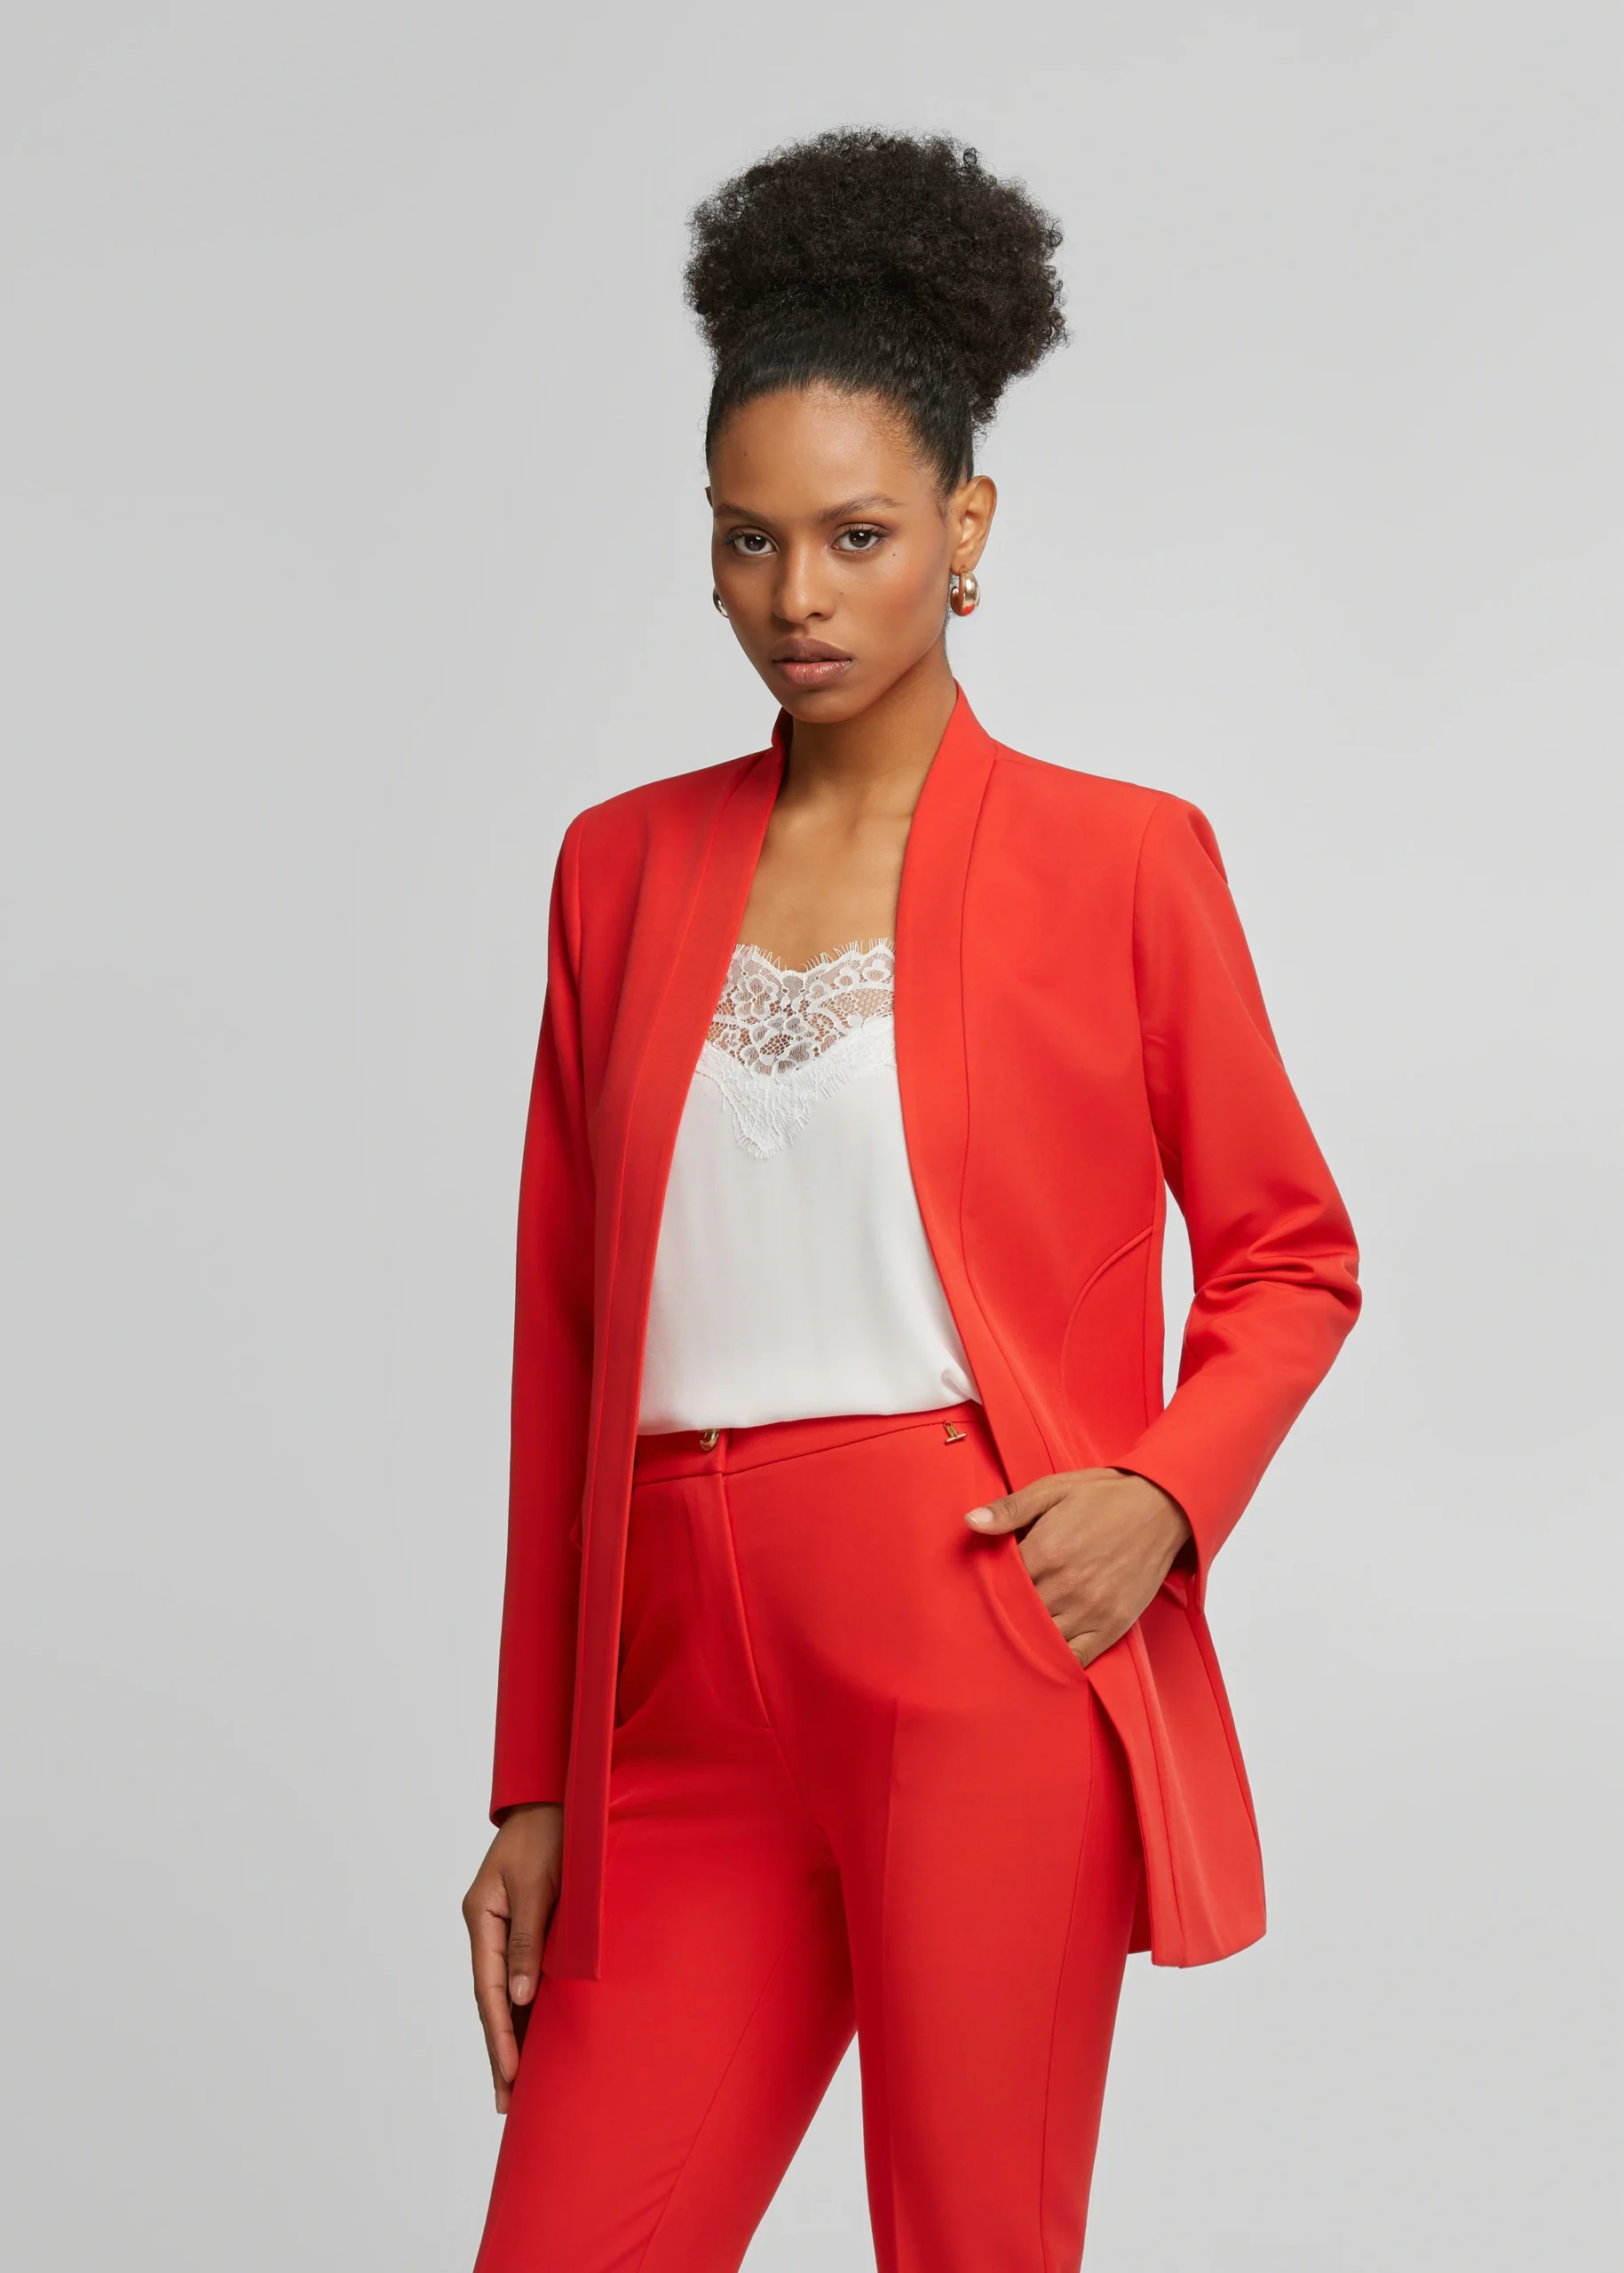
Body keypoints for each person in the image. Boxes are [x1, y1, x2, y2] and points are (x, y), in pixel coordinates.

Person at [462, 128, 1360, 2273]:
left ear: (963, 530)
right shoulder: (616, 867)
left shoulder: (1119, 860)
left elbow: (1288, 1253)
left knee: (969, 2242)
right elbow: (564, 1339)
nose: (797, 596)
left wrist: (1158, 1495)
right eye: (747, 539)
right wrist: (533, 1776)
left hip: (972, 1636)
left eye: (855, 535)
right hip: (673, 1683)